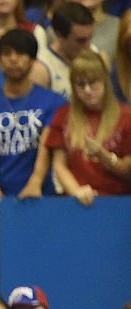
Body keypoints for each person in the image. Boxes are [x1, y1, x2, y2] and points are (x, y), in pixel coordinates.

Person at [0, 29, 67, 198]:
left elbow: (46, 147)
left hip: (42, 195)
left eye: (20, 53)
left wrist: (36, 182)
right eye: (7, 54)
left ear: (33, 60)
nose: (13, 59)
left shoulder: (53, 102)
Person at [45, 50, 131, 204]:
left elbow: (127, 171)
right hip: (76, 202)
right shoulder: (63, 115)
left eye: (93, 83)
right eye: (80, 84)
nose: (87, 90)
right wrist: (76, 191)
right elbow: (59, 165)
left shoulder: (126, 116)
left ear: (105, 81)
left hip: (119, 202)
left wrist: (102, 154)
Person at [40, 2, 97, 99]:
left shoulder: (96, 54)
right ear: (59, 35)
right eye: (80, 41)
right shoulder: (43, 68)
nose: (88, 46)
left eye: (90, 38)